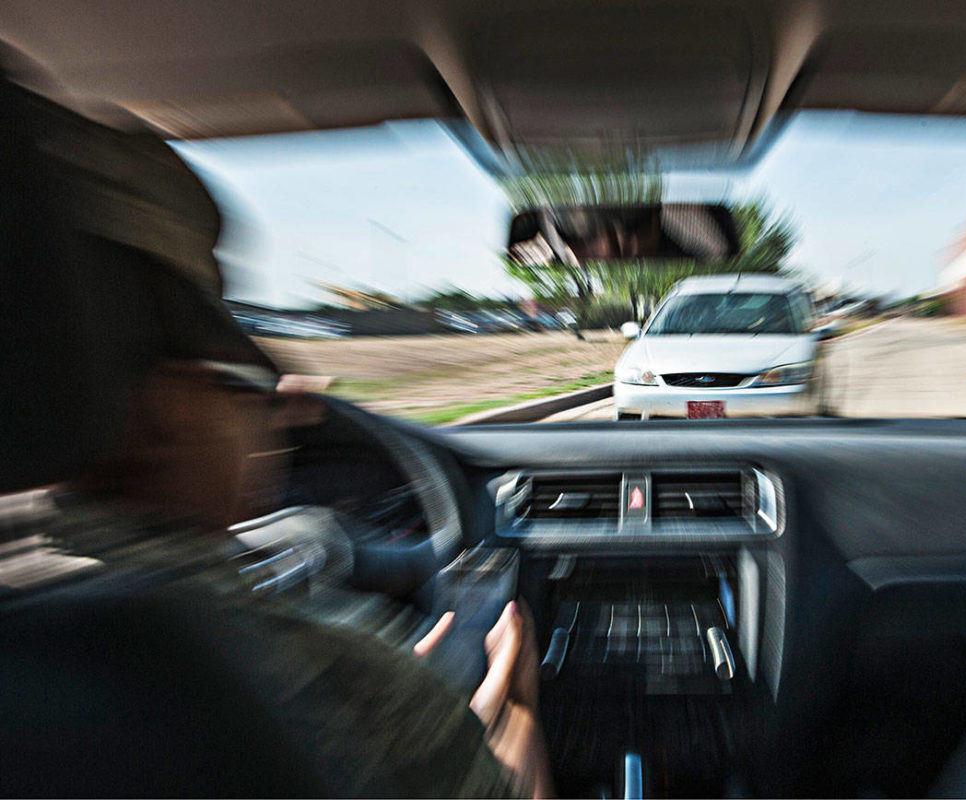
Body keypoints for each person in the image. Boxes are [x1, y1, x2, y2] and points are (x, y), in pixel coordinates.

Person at [0, 59, 553, 798]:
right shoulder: (298, 678)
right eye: (243, 382)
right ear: (172, 404)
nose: (282, 407)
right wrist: (508, 704)